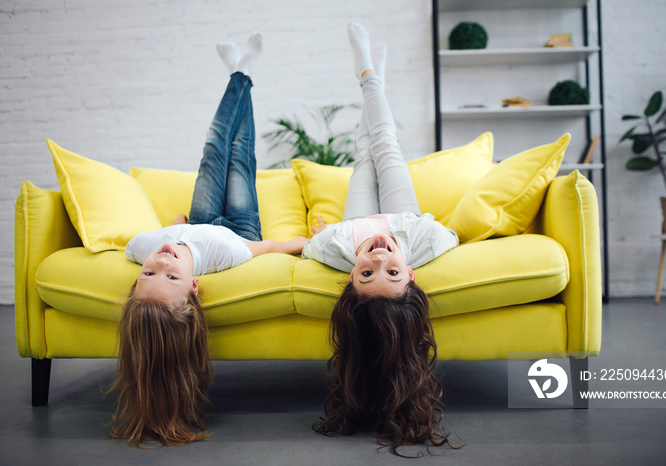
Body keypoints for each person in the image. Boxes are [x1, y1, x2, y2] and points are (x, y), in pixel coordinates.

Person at [108, 33, 308, 448]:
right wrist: (304, 243)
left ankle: (239, 72)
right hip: (236, 228)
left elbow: (157, 242)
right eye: (172, 277)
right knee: (240, 151)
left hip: (199, 221)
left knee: (213, 146)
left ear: (138, 271)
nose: (162, 260)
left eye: (150, 271)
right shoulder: (226, 254)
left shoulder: (141, 246)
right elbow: (267, 248)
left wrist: (174, 225)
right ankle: (245, 72)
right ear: (195, 284)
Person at [307, 24, 458, 456]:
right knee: (386, 144)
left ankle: (373, 75)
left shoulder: (337, 251)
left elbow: (313, 247)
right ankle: (371, 75)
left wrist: (322, 237)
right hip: (402, 214)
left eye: (366, 272)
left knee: (361, 153)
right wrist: (417, 227)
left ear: (350, 277)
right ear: (410, 273)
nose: (377, 257)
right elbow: (447, 234)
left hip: (353, 220)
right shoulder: (419, 244)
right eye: (390, 271)